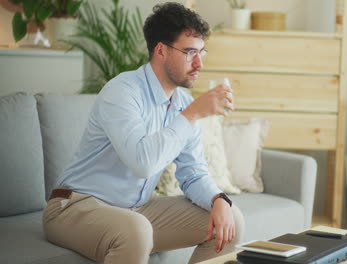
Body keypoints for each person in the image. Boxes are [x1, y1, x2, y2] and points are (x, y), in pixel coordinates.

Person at [42, 2, 244, 264]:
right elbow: (142, 163)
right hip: (74, 207)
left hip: (134, 211)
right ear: (161, 50)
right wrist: (193, 114)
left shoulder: (183, 102)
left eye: (202, 52)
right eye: (190, 52)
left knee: (230, 219)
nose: (199, 63)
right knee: (136, 230)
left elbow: (192, 172)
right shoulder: (123, 92)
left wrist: (218, 199)